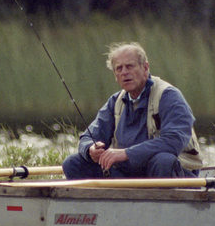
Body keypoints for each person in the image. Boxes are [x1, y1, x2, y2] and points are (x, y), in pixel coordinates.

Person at [62, 42, 204, 179]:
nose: (124, 72)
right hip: (130, 172)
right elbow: (87, 137)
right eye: (119, 68)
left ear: (145, 68)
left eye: (129, 66)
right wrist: (90, 149)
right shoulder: (115, 102)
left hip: (173, 171)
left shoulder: (169, 96)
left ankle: (159, 202)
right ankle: (113, 201)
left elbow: (174, 141)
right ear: (115, 76)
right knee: (72, 163)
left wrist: (126, 153)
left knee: (163, 160)